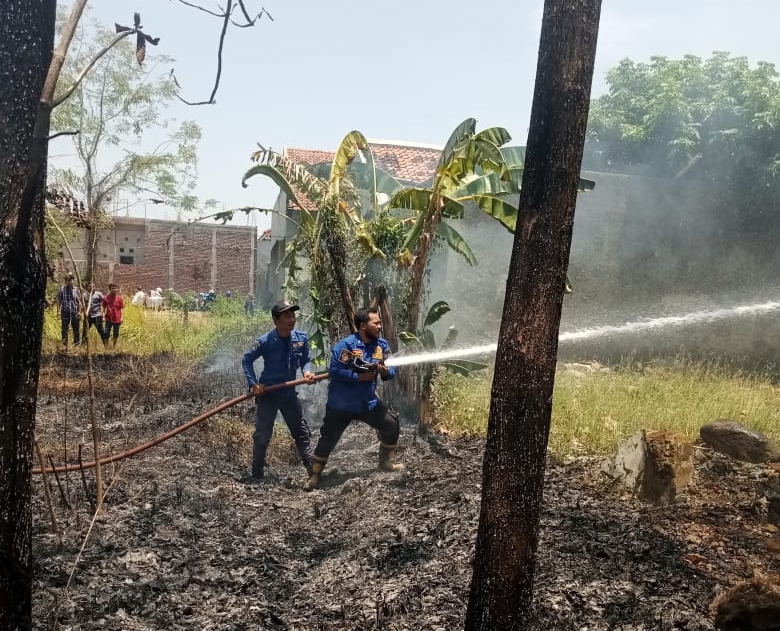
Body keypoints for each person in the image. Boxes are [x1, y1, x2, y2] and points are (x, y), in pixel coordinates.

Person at [304, 308, 402, 492]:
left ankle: (386, 463)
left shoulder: (382, 345)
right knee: (328, 439)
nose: (380, 327)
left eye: (380, 323)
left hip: (367, 402)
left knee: (391, 424)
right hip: (341, 404)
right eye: (376, 323)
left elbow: (392, 370)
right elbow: (335, 372)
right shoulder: (346, 346)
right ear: (363, 325)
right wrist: (359, 378)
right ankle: (315, 475)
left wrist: (386, 372)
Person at [241, 301, 316, 481]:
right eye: (287, 316)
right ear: (276, 321)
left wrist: (307, 371)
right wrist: (254, 383)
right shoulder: (265, 341)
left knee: (301, 432)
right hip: (268, 394)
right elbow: (246, 360)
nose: (292, 320)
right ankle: (257, 475)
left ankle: (314, 473)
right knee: (262, 435)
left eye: (293, 316)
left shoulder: (301, 338)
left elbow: (306, 359)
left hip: (288, 393)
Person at [56, 272, 80, 349]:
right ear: (65, 281)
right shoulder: (62, 289)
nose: (69, 281)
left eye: (71, 280)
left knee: (76, 328)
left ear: (73, 280)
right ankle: (64, 344)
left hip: (74, 311)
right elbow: (59, 301)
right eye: (67, 280)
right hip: (65, 311)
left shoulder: (76, 290)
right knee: (64, 328)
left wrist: (79, 312)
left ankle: (77, 344)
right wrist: (58, 312)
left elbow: (79, 302)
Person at [82, 282, 106, 347]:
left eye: (93, 286)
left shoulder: (99, 294)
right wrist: (83, 314)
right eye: (90, 286)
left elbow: (102, 305)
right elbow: (83, 306)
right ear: (87, 287)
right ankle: (83, 345)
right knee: (85, 331)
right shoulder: (84, 295)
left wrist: (102, 314)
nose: (91, 287)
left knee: (101, 331)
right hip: (88, 316)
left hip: (97, 316)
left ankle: (106, 345)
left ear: (95, 287)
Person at [101, 283, 124, 348]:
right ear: (110, 289)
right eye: (113, 288)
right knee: (106, 332)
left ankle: (114, 346)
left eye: (115, 288)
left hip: (117, 319)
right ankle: (106, 346)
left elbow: (121, 309)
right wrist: (103, 316)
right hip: (108, 319)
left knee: (116, 333)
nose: (114, 289)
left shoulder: (119, 298)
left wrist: (122, 317)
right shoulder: (106, 298)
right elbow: (103, 307)